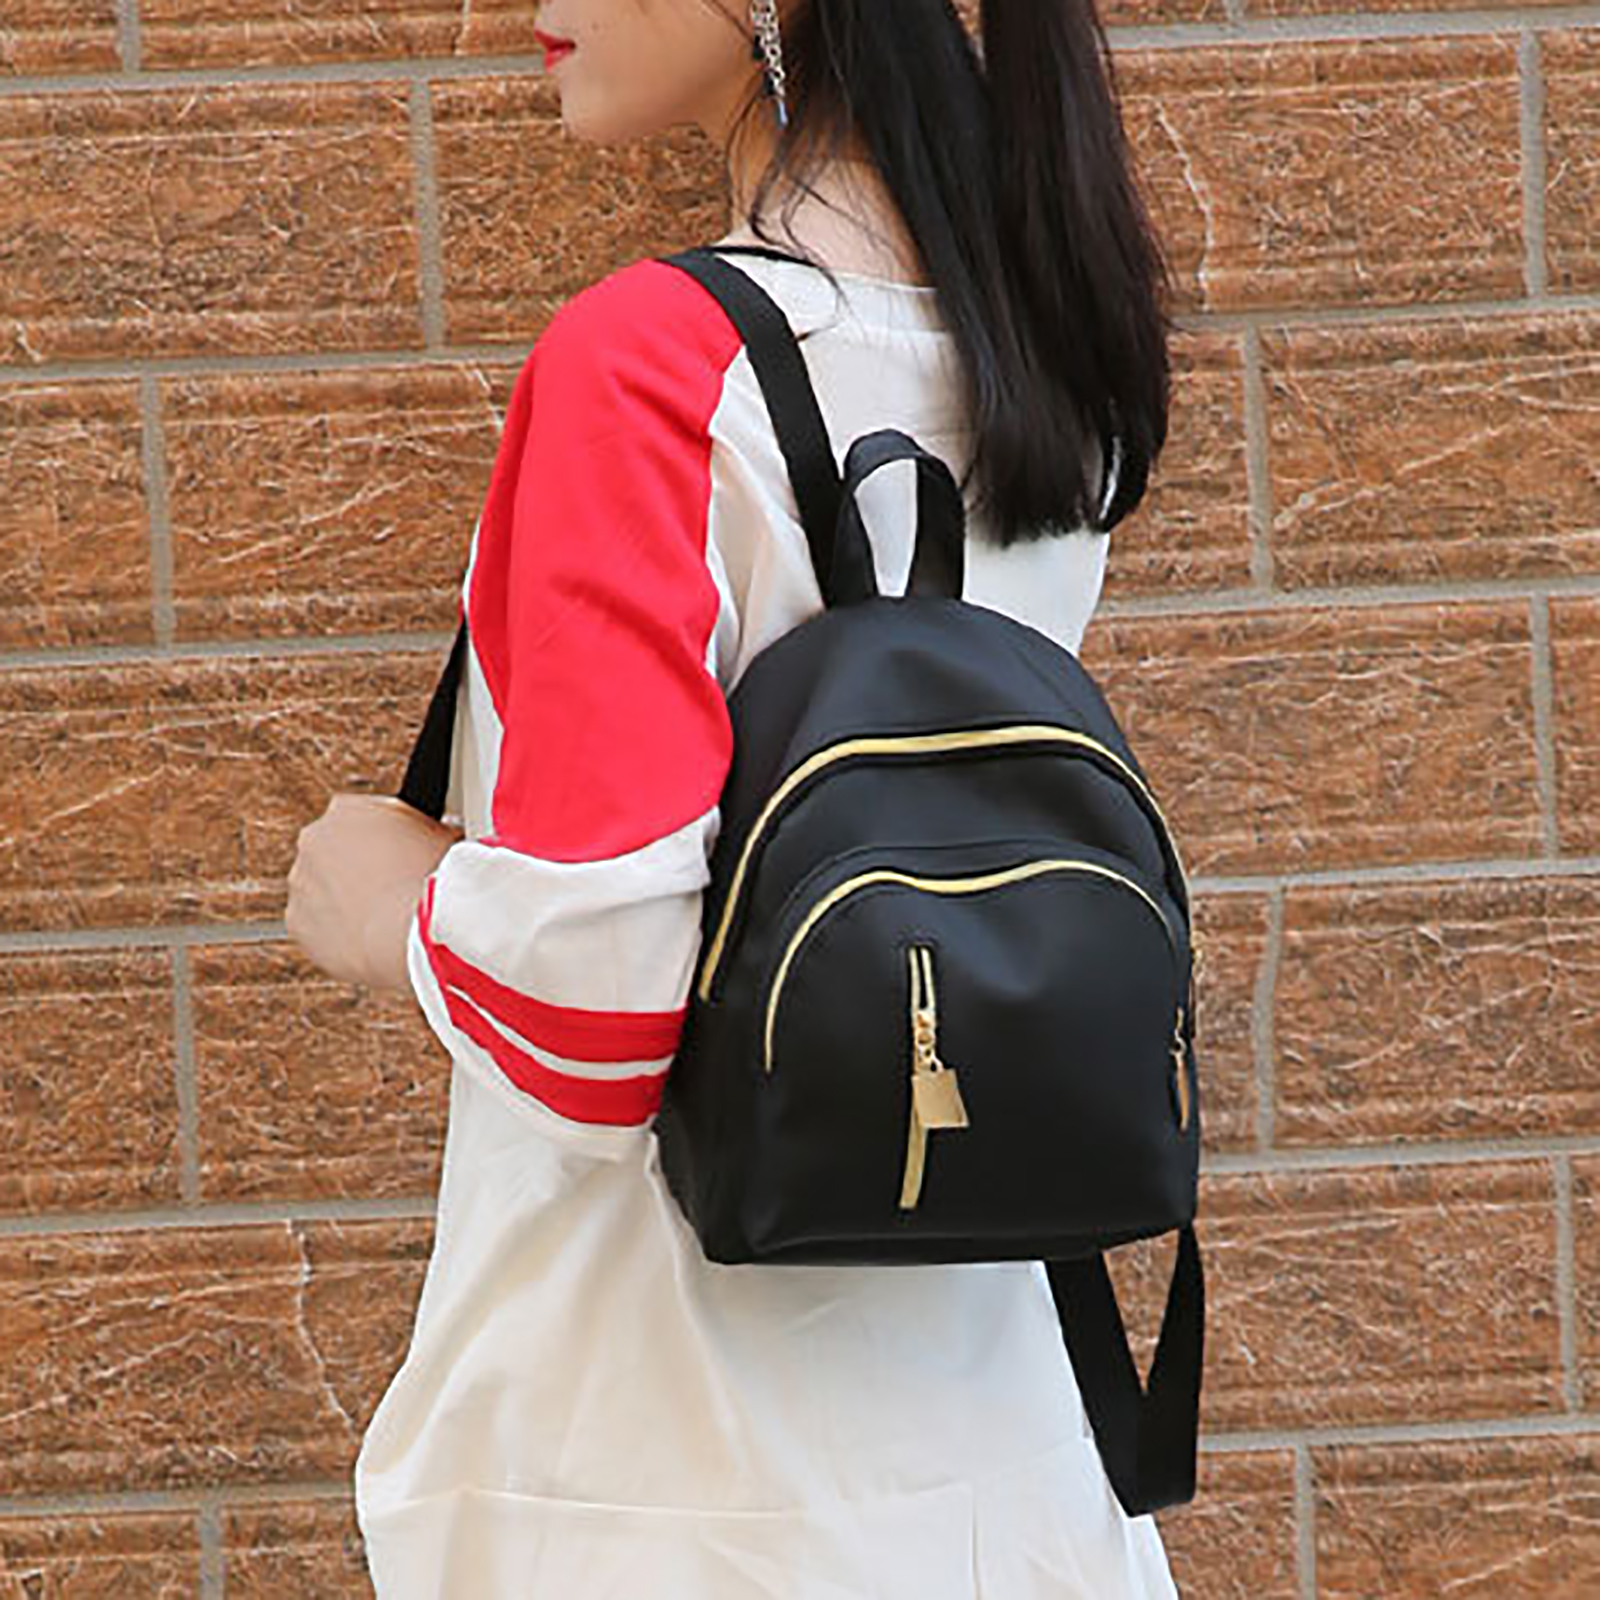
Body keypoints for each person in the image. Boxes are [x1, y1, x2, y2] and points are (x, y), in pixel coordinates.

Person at [285, 1, 1181, 1593]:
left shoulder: (650, 363)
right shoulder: (1038, 342)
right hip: (1013, 1448)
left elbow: (594, 1010)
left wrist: (389, 906)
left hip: (667, 1462)